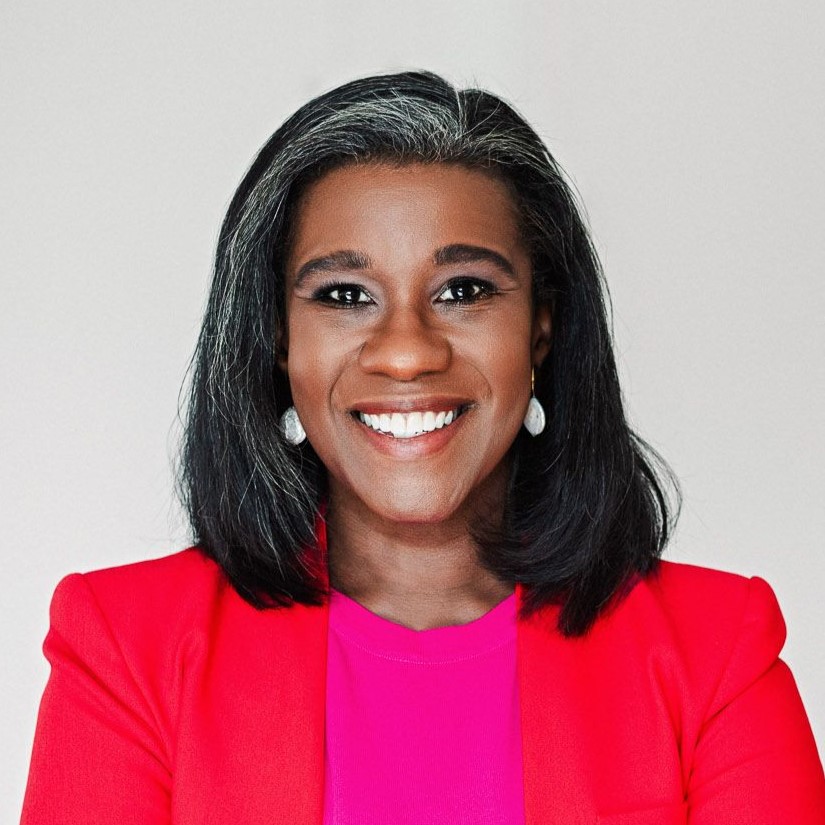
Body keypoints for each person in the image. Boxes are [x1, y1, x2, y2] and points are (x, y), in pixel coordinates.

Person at [20, 70, 825, 824]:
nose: (405, 351)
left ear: (540, 326)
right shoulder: (125, 648)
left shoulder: (716, 653)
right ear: (276, 335)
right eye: (344, 295)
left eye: (463, 290)